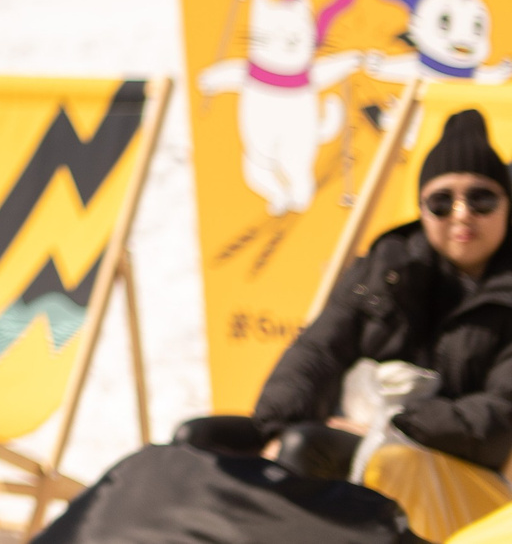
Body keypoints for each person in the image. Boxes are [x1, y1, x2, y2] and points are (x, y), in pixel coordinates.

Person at [178, 106, 512, 507]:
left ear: (507, 205)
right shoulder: (388, 265)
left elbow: (499, 415)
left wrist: (390, 428)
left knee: (307, 449)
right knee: (199, 441)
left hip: (464, 473)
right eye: (441, 202)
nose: (461, 214)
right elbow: (319, 349)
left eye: (482, 200)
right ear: (421, 210)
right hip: (374, 445)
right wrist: (271, 427)